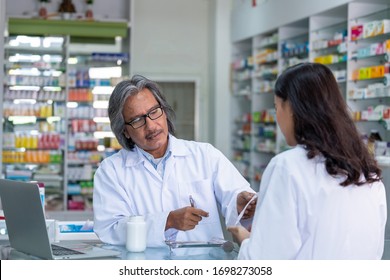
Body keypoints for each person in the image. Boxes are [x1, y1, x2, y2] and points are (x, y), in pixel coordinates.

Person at [228, 62, 387, 259]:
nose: (277, 116)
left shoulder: (287, 166)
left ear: (292, 108)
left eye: (277, 107)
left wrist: (246, 241)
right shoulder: (367, 170)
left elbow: (266, 261)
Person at [93, 74, 257, 247]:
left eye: (154, 112)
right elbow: (110, 229)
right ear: (124, 130)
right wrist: (167, 221)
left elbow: (237, 196)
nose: (151, 126)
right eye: (137, 120)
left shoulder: (205, 155)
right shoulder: (111, 171)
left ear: (164, 111)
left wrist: (241, 205)